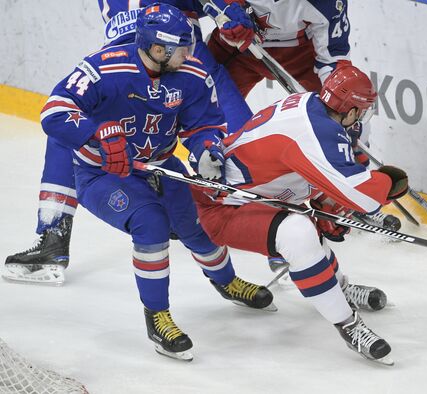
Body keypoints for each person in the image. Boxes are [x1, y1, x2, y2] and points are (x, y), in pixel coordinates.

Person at [38, 4, 275, 360]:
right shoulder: (104, 68)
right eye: (181, 48)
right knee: (151, 224)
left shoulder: (192, 74)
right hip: (102, 172)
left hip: (161, 165)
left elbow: (204, 124)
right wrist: (95, 132)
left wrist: (207, 149)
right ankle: (158, 316)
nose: (190, 54)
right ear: (158, 49)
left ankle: (227, 282)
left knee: (198, 225)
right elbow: (54, 110)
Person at [2, 0, 255, 285]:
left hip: (182, 59)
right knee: (70, 125)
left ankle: (280, 238)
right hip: (129, 57)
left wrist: (230, 8)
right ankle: (53, 235)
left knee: (242, 146)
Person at [188, 64, 409, 364]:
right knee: (298, 233)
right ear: (352, 109)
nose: (362, 119)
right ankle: (349, 326)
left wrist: (327, 202)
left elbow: (301, 170)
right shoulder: (317, 132)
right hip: (225, 207)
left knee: (306, 226)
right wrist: (389, 184)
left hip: (260, 195)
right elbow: (363, 198)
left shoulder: (312, 106)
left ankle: (339, 287)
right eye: (362, 111)